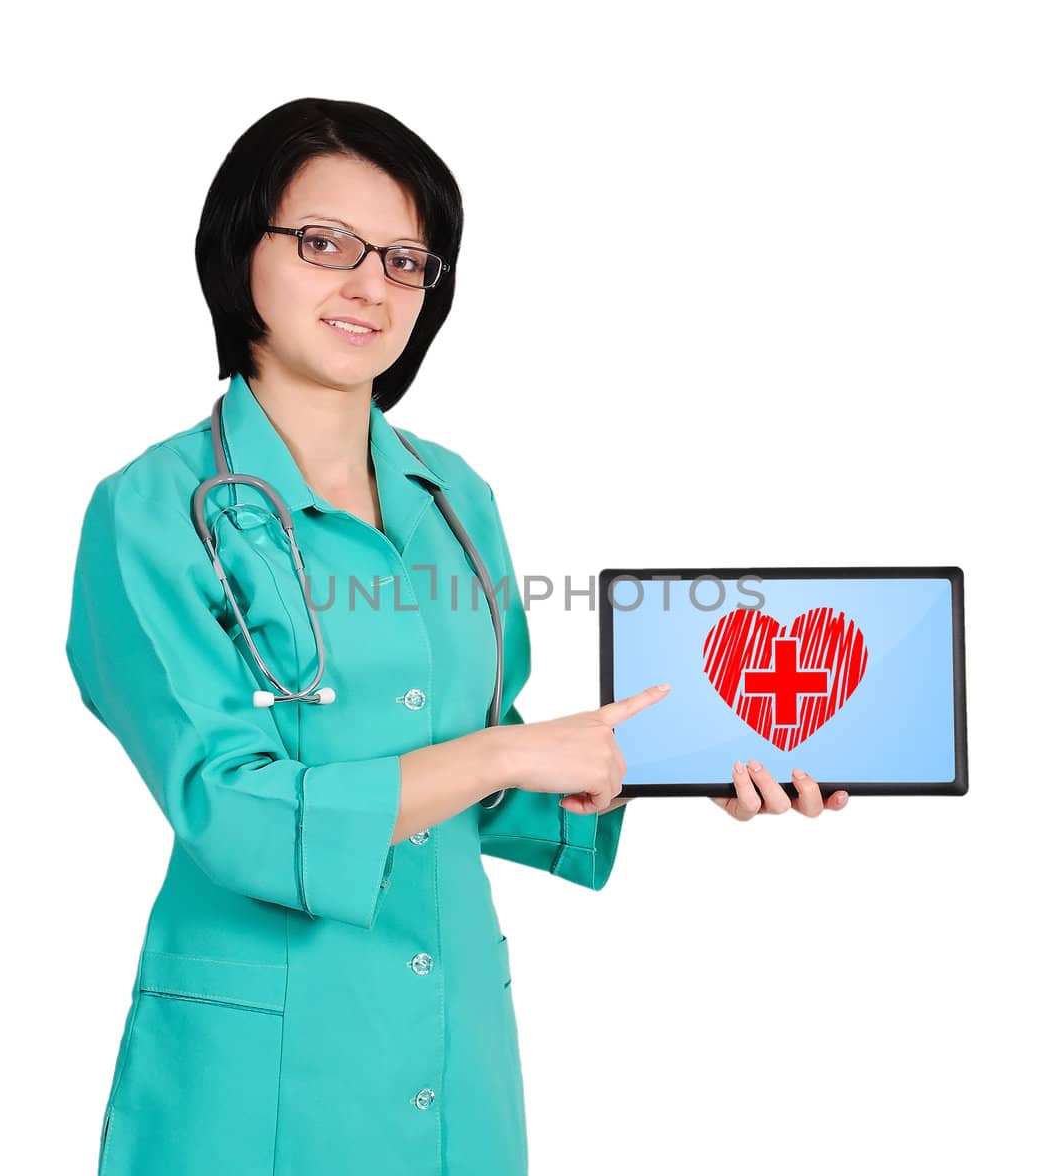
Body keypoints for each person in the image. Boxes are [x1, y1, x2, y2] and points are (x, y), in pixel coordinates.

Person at [64, 96, 847, 1176]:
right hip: (260, 1058)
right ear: (238, 248)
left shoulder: (453, 498)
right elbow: (227, 808)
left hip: (452, 1035)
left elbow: (487, 761)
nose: (368, 286)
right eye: (324, 243)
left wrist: (681, 764)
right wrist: (506, 752)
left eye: (406, 261)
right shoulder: (152, 510)